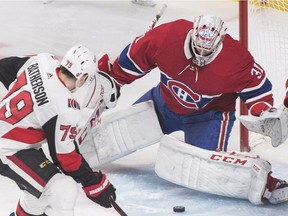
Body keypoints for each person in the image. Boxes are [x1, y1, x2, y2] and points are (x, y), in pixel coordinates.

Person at [102, 14, 288, 205]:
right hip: (162, 102)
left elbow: (257, 91)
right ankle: (75, 150)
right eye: (196, 47)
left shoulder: (236, 58)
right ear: (192, 33)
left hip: (208, 117)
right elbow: (130, 61)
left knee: (208, 169)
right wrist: (108, 81)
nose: (200, 55)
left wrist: (263, 112)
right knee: (111, 136)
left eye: (206, 51)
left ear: (220, 40)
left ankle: (266, 182)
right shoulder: (167, 36)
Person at [0, 45, 118, 216]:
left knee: (38, 194)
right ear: (83, 77)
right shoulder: (64, 107)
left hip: (17, 143)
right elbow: (64, 157)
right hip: (6, 149)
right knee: (63, 190)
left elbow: (5, 67)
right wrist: (93, 184)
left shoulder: (42, 61)